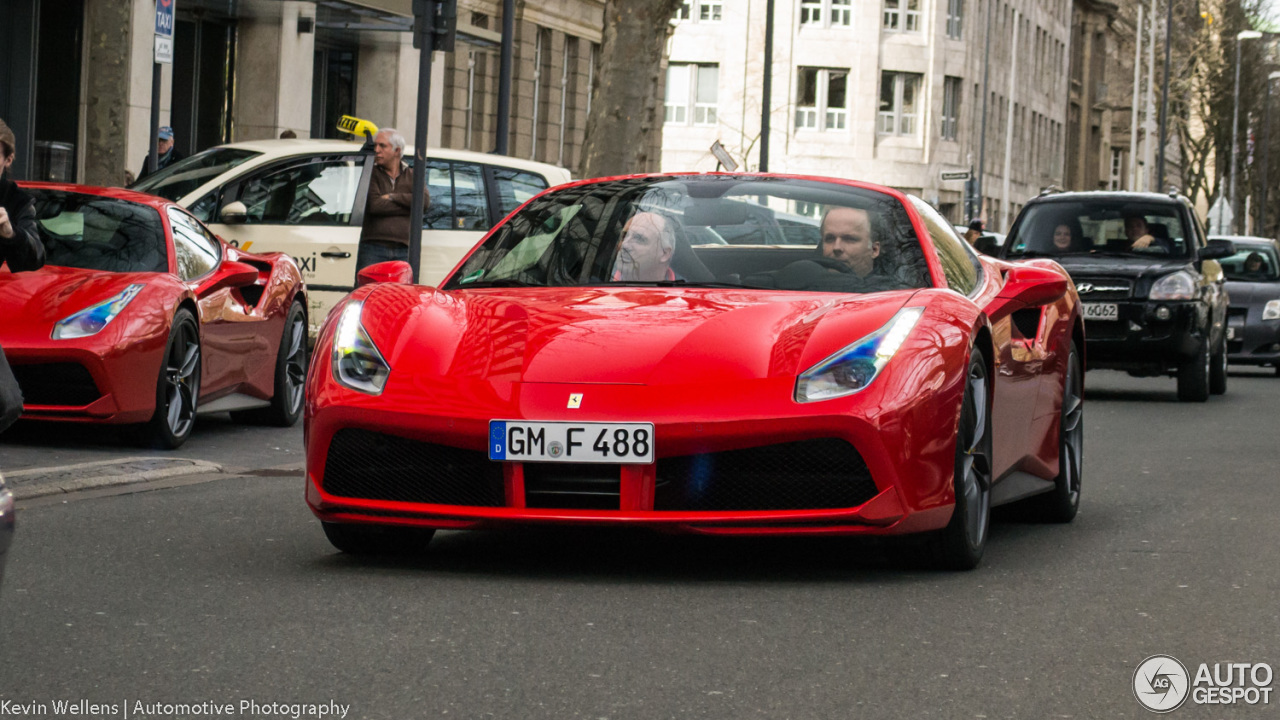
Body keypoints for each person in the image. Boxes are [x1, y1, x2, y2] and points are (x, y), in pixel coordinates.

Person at [1, 118, 46, 433]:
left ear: (7, 159)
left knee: (8, 402)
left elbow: (34, 256)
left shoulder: (16, 201)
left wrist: (9, 232)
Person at [355, 128, 429, 275]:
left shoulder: (411, 174)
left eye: (382, 146)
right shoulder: (372, 173)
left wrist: (391, 197)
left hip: (404, 248)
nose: (377, 150)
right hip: (373, 246)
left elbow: (423, 202)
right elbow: (375, 205)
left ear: (397, 151)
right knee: (368, 293)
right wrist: (408, 205)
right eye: (375, 145)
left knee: (400, 294)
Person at [611, 211, 680, 282]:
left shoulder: (684, 290)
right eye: (624, 236)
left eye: (638, 239)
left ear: (664, 253)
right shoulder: (602, 282)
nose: (624, 245)